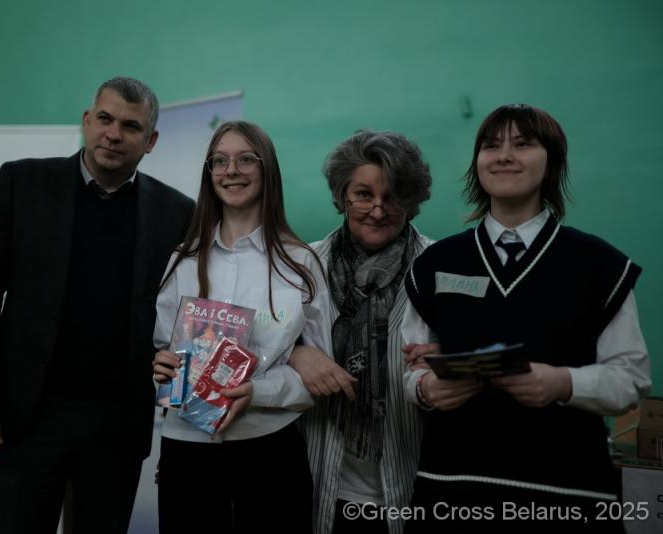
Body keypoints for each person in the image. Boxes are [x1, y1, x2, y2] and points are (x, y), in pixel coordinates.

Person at [0, 77, 195, 533]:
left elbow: (187, 320)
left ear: (151, 141)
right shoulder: (21, 183)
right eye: (104, 119)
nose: (113, 134)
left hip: (118, 424)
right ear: (87, 121)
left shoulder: (177, 212)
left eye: (130, 126)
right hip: (29, 417)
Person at [401, 104, 651, 533]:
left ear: (551, 162)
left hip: (567, 497)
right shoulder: (434, 265)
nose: (503, 155)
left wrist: (562, 382)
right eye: (491, 146)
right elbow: (408, 367)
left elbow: (631, 381)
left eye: (522, 144)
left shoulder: (599, 266)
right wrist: (425, 388)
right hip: (451, 493)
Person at [152, 120, 333, 534]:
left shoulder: (299, 264)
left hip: (269, 448)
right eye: (220, 161)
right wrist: (160, 366)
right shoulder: (183, 260)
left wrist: (259, 392)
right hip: (187, 450)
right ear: (209, 174)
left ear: (267, 169)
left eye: (245, 159)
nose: (231, 170)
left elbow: (318, 375)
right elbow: (164, 348)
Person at [289, 130, 433, 534]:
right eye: (364, 194)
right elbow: (262, 347)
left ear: (411, 200)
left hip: (412, 486)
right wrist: (296, 353)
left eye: (393, 196)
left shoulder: (437, 267)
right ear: (342, 196)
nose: (378, 210)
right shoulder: (304, 267)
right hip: (320, 482)